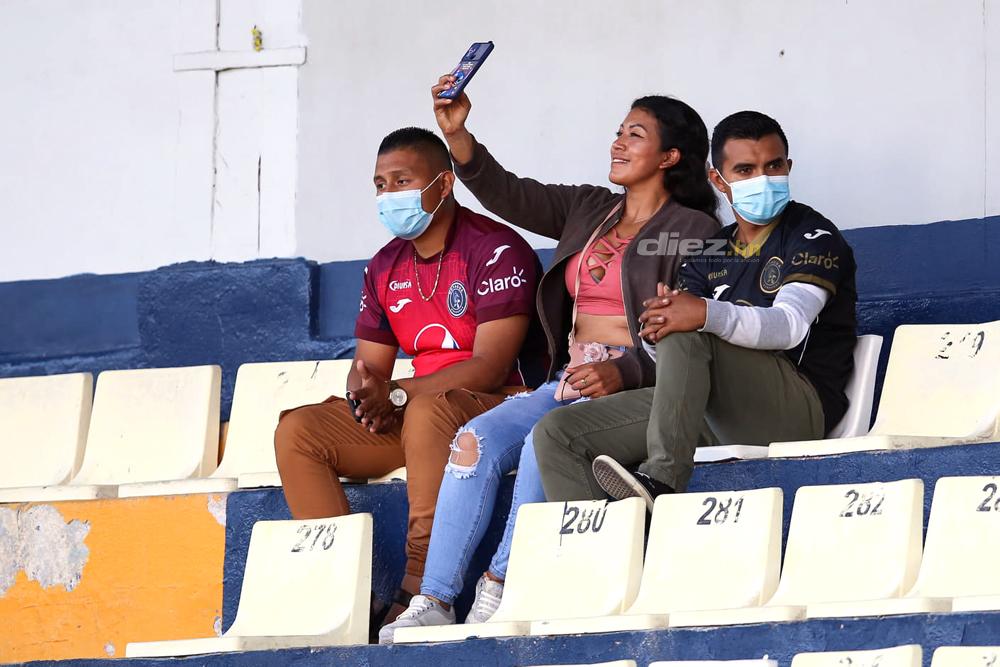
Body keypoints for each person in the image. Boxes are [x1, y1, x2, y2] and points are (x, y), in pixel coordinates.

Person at [378, 78, 720, 643]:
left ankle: (499, 587)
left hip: (637, 386)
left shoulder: (694, 230)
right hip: (567, 379)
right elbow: (509, 194)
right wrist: (458, 136)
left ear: (669, 156)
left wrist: (625, 370)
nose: (618, 143)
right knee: (473, 441)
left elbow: (692, 340)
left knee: (545, 442)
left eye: (635, 135)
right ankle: (434, 599)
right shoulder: (589, 208)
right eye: (618, 132)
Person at [273, 127, 548, 629]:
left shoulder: (496, 249)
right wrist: (366, 396)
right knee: (299, 432)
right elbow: (369, 367)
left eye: (402, 181)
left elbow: (490, 367)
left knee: (426, 410)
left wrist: (397, 394)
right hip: (421, 410)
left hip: (500, 403)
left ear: (443, 184)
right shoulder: (384, 266)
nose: (389, 195)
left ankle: (421, 589)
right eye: (380, 185)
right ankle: (346, 599)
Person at [532, 110, 858, 509]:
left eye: (773, 166)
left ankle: (661, 479)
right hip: (710, 407)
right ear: (718, 180)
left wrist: (700, 313)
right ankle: (597, 549)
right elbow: (673, 353)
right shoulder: (711, 251)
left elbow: (789, 326)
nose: (763, 179)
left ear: (788, 167)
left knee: (686, 325)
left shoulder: (812, 235)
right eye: (745, 170)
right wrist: (655, 328)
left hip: (794, 411)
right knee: (558, 433)